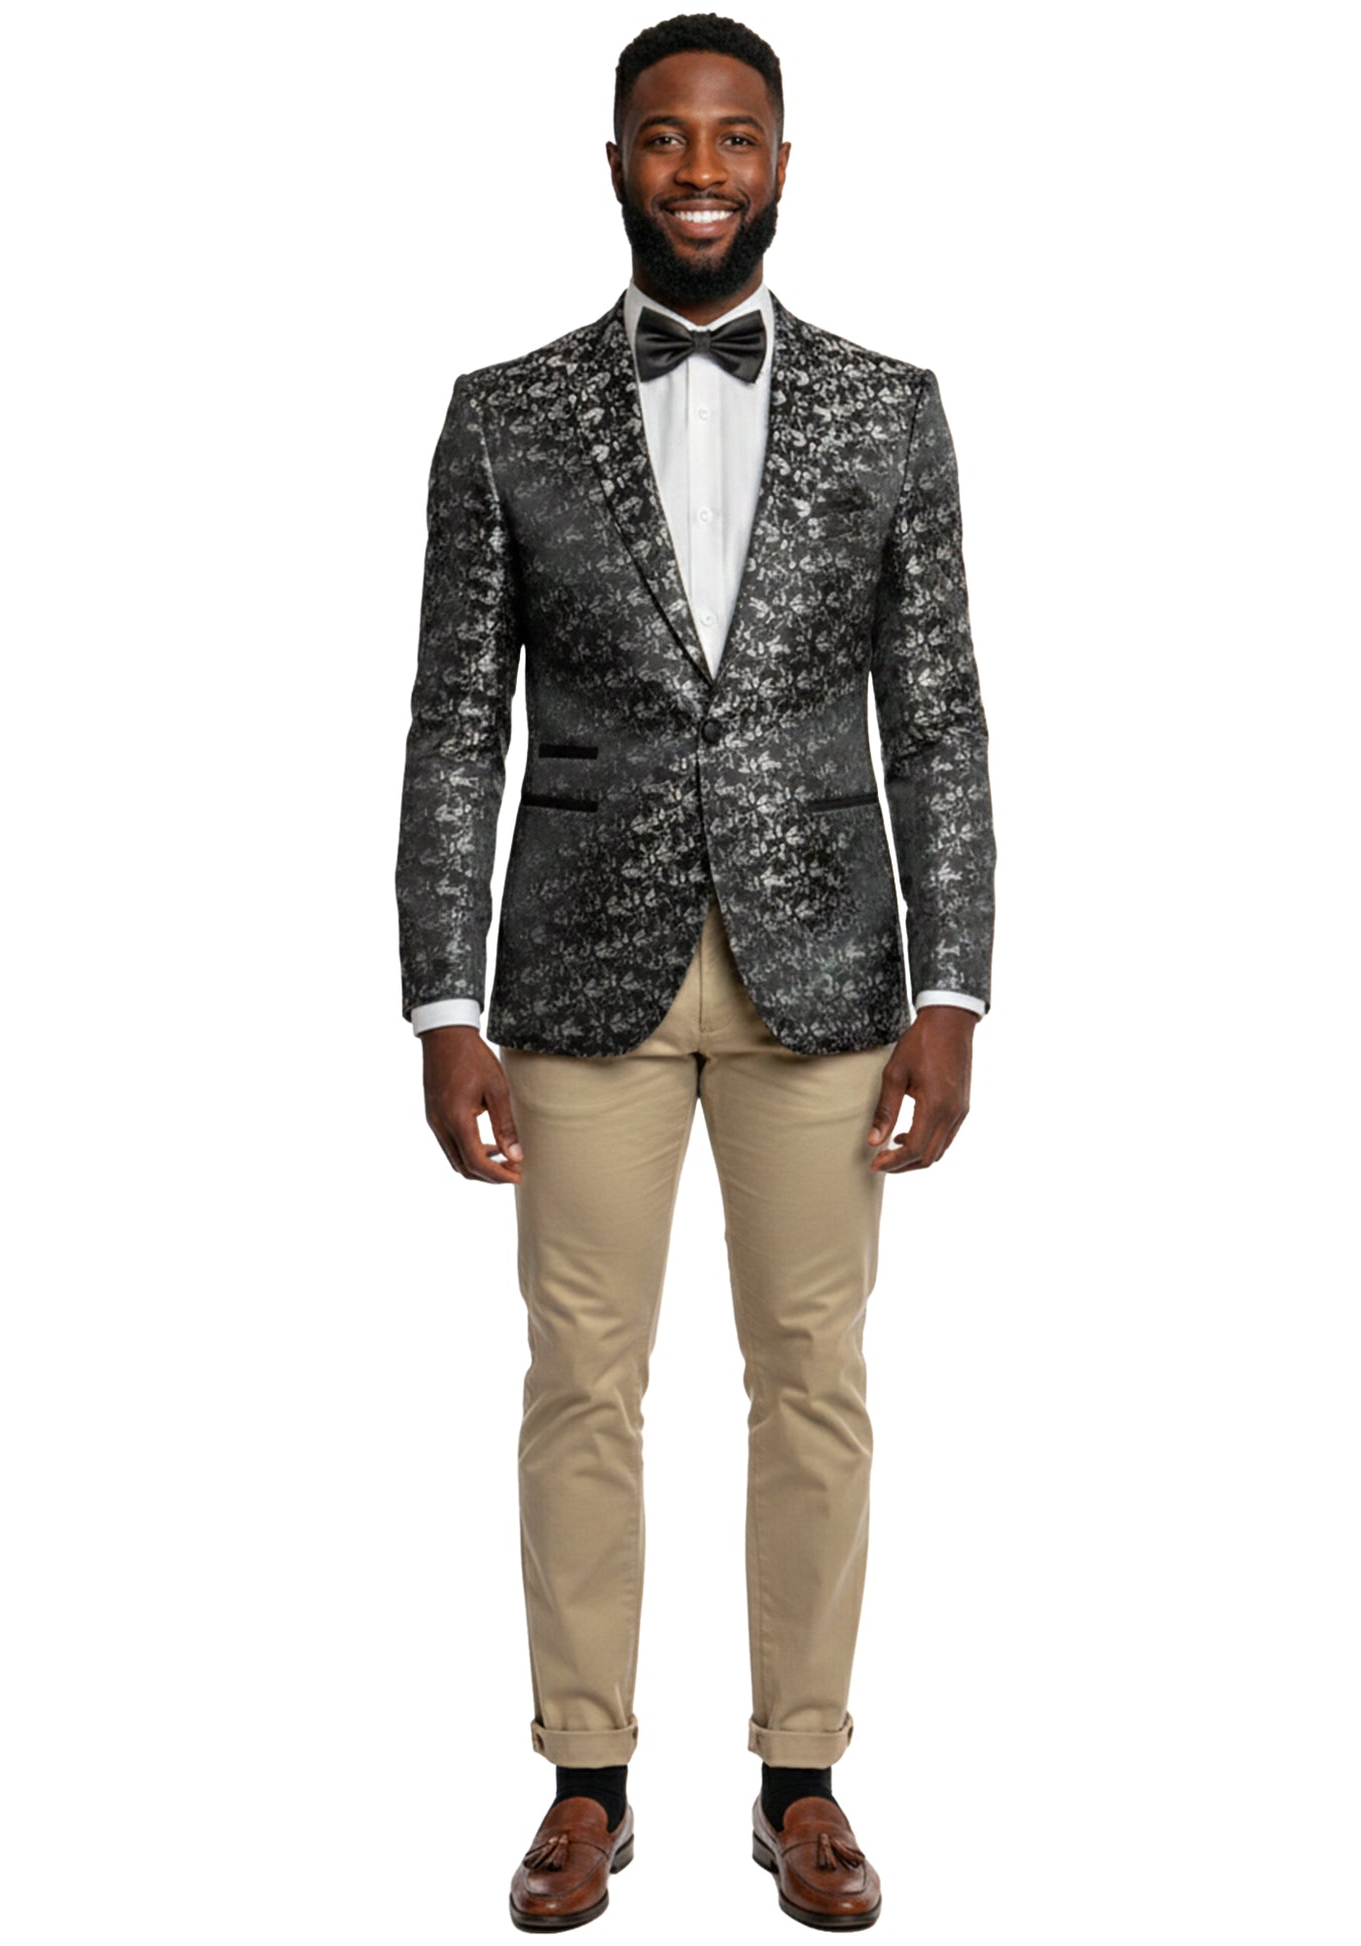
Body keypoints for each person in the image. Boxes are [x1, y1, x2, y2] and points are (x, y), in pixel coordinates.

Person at [395, 13, 995, 1930]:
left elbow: (938, 718)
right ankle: (584, 1781)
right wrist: (441, 1001)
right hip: (577, 977)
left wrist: (954, 989)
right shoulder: (504, 414)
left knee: (812, 1376)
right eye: (667, 137)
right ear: (616, 165)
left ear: (784, 164)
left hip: (829, 969)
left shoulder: (889, 409)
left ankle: (800, 1778)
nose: (703, 170)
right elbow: (452, 726)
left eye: (737, 137)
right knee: (580, 1377)